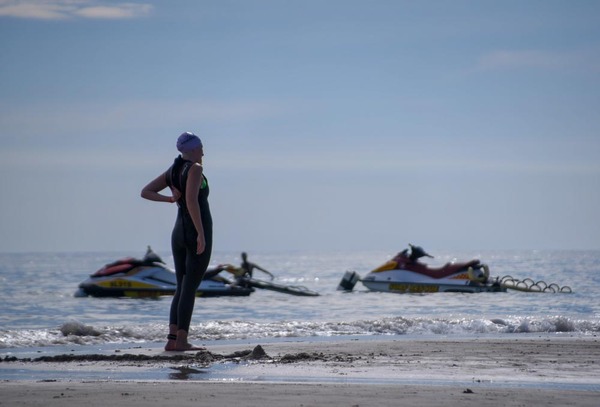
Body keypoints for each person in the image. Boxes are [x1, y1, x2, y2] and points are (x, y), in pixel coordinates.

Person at [141, 131, 212, 351]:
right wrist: (201, 233)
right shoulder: (195, 168)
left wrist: (170, 199)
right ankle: (181, 341)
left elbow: (146, 191)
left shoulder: (173, 170)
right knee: (189, 287)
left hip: (178, 233)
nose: (203, 151)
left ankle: (172, 340)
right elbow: (192, 201)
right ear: (191, 149)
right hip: (193, 231)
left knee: (181, 287)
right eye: (200, 147)